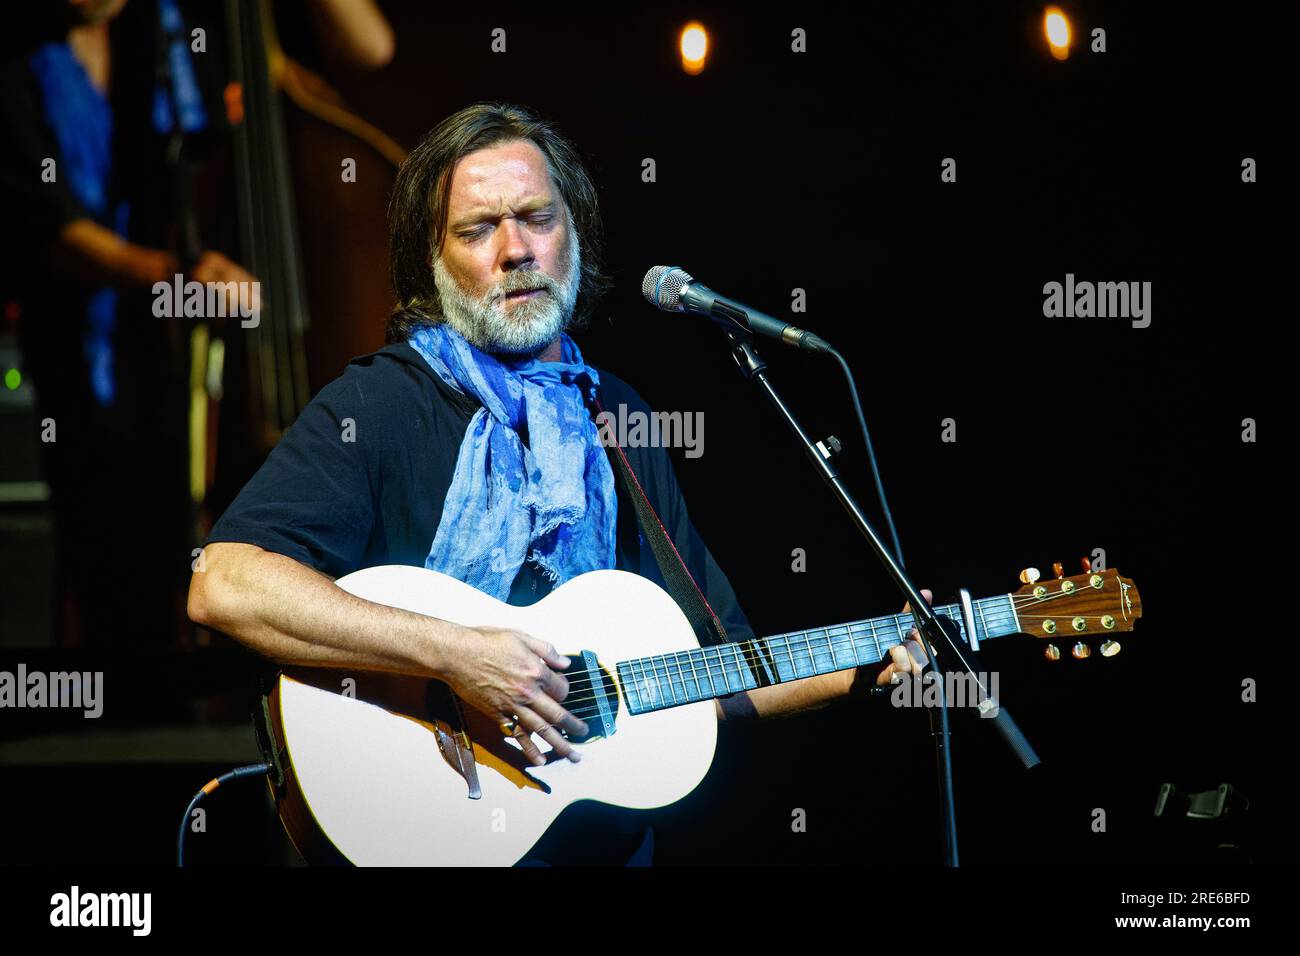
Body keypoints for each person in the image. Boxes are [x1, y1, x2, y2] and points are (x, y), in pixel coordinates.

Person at [186, 102, 929, 864]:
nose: (516, 250)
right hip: (421, 830)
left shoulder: (616, 416)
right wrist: (457, 655)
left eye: (537, 217)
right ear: (430, 258)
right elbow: (225, 583)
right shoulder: (383, 403)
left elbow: (716, 671)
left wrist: (863, 663)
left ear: (573, 233)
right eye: (477, 230)